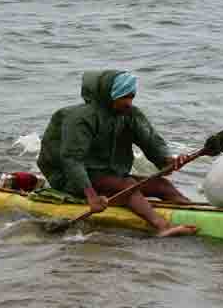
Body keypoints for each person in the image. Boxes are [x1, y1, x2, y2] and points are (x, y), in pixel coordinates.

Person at [38, 70, 199, 238]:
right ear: (109, 96)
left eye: (131, 97)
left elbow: (151, 141)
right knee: (127, 187)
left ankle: (197, 215)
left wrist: (168, 160)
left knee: (162, 186)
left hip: (111, 176)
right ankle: (162, 226)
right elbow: (71, 159)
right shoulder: (81, 118)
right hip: (71, 178)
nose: (129, 103)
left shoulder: (130, 114)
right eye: (123, 97)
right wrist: (91, 197)